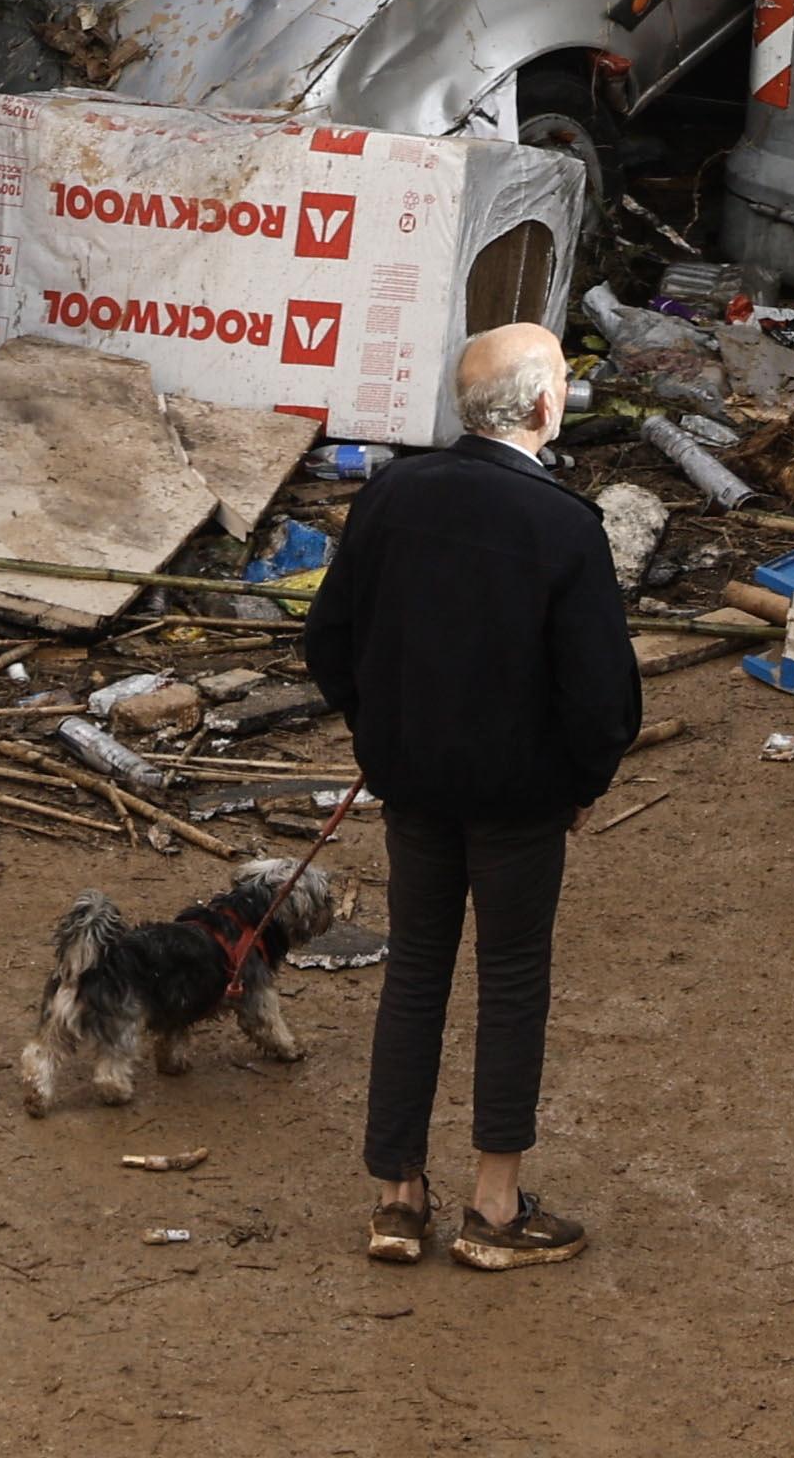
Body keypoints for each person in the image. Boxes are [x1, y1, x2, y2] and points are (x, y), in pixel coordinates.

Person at [300, 321, 639, 1270]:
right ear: (542, 406)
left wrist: (384, 735)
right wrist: (583, 783)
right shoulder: (566, 527)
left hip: (413, 787)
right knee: (511, 977)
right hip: (519, 801)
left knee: (416, 969)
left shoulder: (391, 497)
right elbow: (602, 694)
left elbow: (330, 641)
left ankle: (396, 1199)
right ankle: (494, 1209)